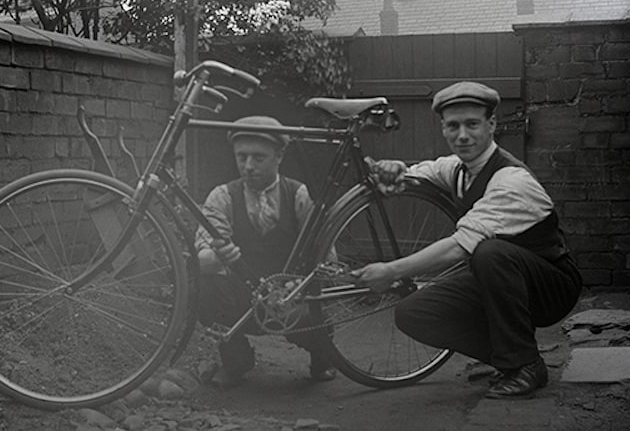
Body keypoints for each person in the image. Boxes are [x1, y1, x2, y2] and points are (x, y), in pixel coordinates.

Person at [354, 81, 582, 398]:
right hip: (502, 280)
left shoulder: (511, 181)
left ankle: (524, 365)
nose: (463, 135)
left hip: (551, 285)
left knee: (489, 253)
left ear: (491, 125)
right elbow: (422, 172)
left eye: (472, 124)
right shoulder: (459, 170)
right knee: (413, 313)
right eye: (453, 126)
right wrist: (395, 170)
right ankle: (513, 359)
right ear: (444, 129)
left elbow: (458, 246)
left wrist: (391, 271)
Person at [195, 115, 337, 388]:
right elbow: (201, 260)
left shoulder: (300, 195)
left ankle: (323, 356)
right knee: (203, 287)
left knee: (315, 309)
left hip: (292, 298)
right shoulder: (221, 197)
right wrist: (217, 256)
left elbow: (328, 259)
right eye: (241, 156)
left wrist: (302, 286)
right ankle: (236, 360)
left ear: (279, 155)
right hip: (243, 298)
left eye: (258, 158)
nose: (248, 166)